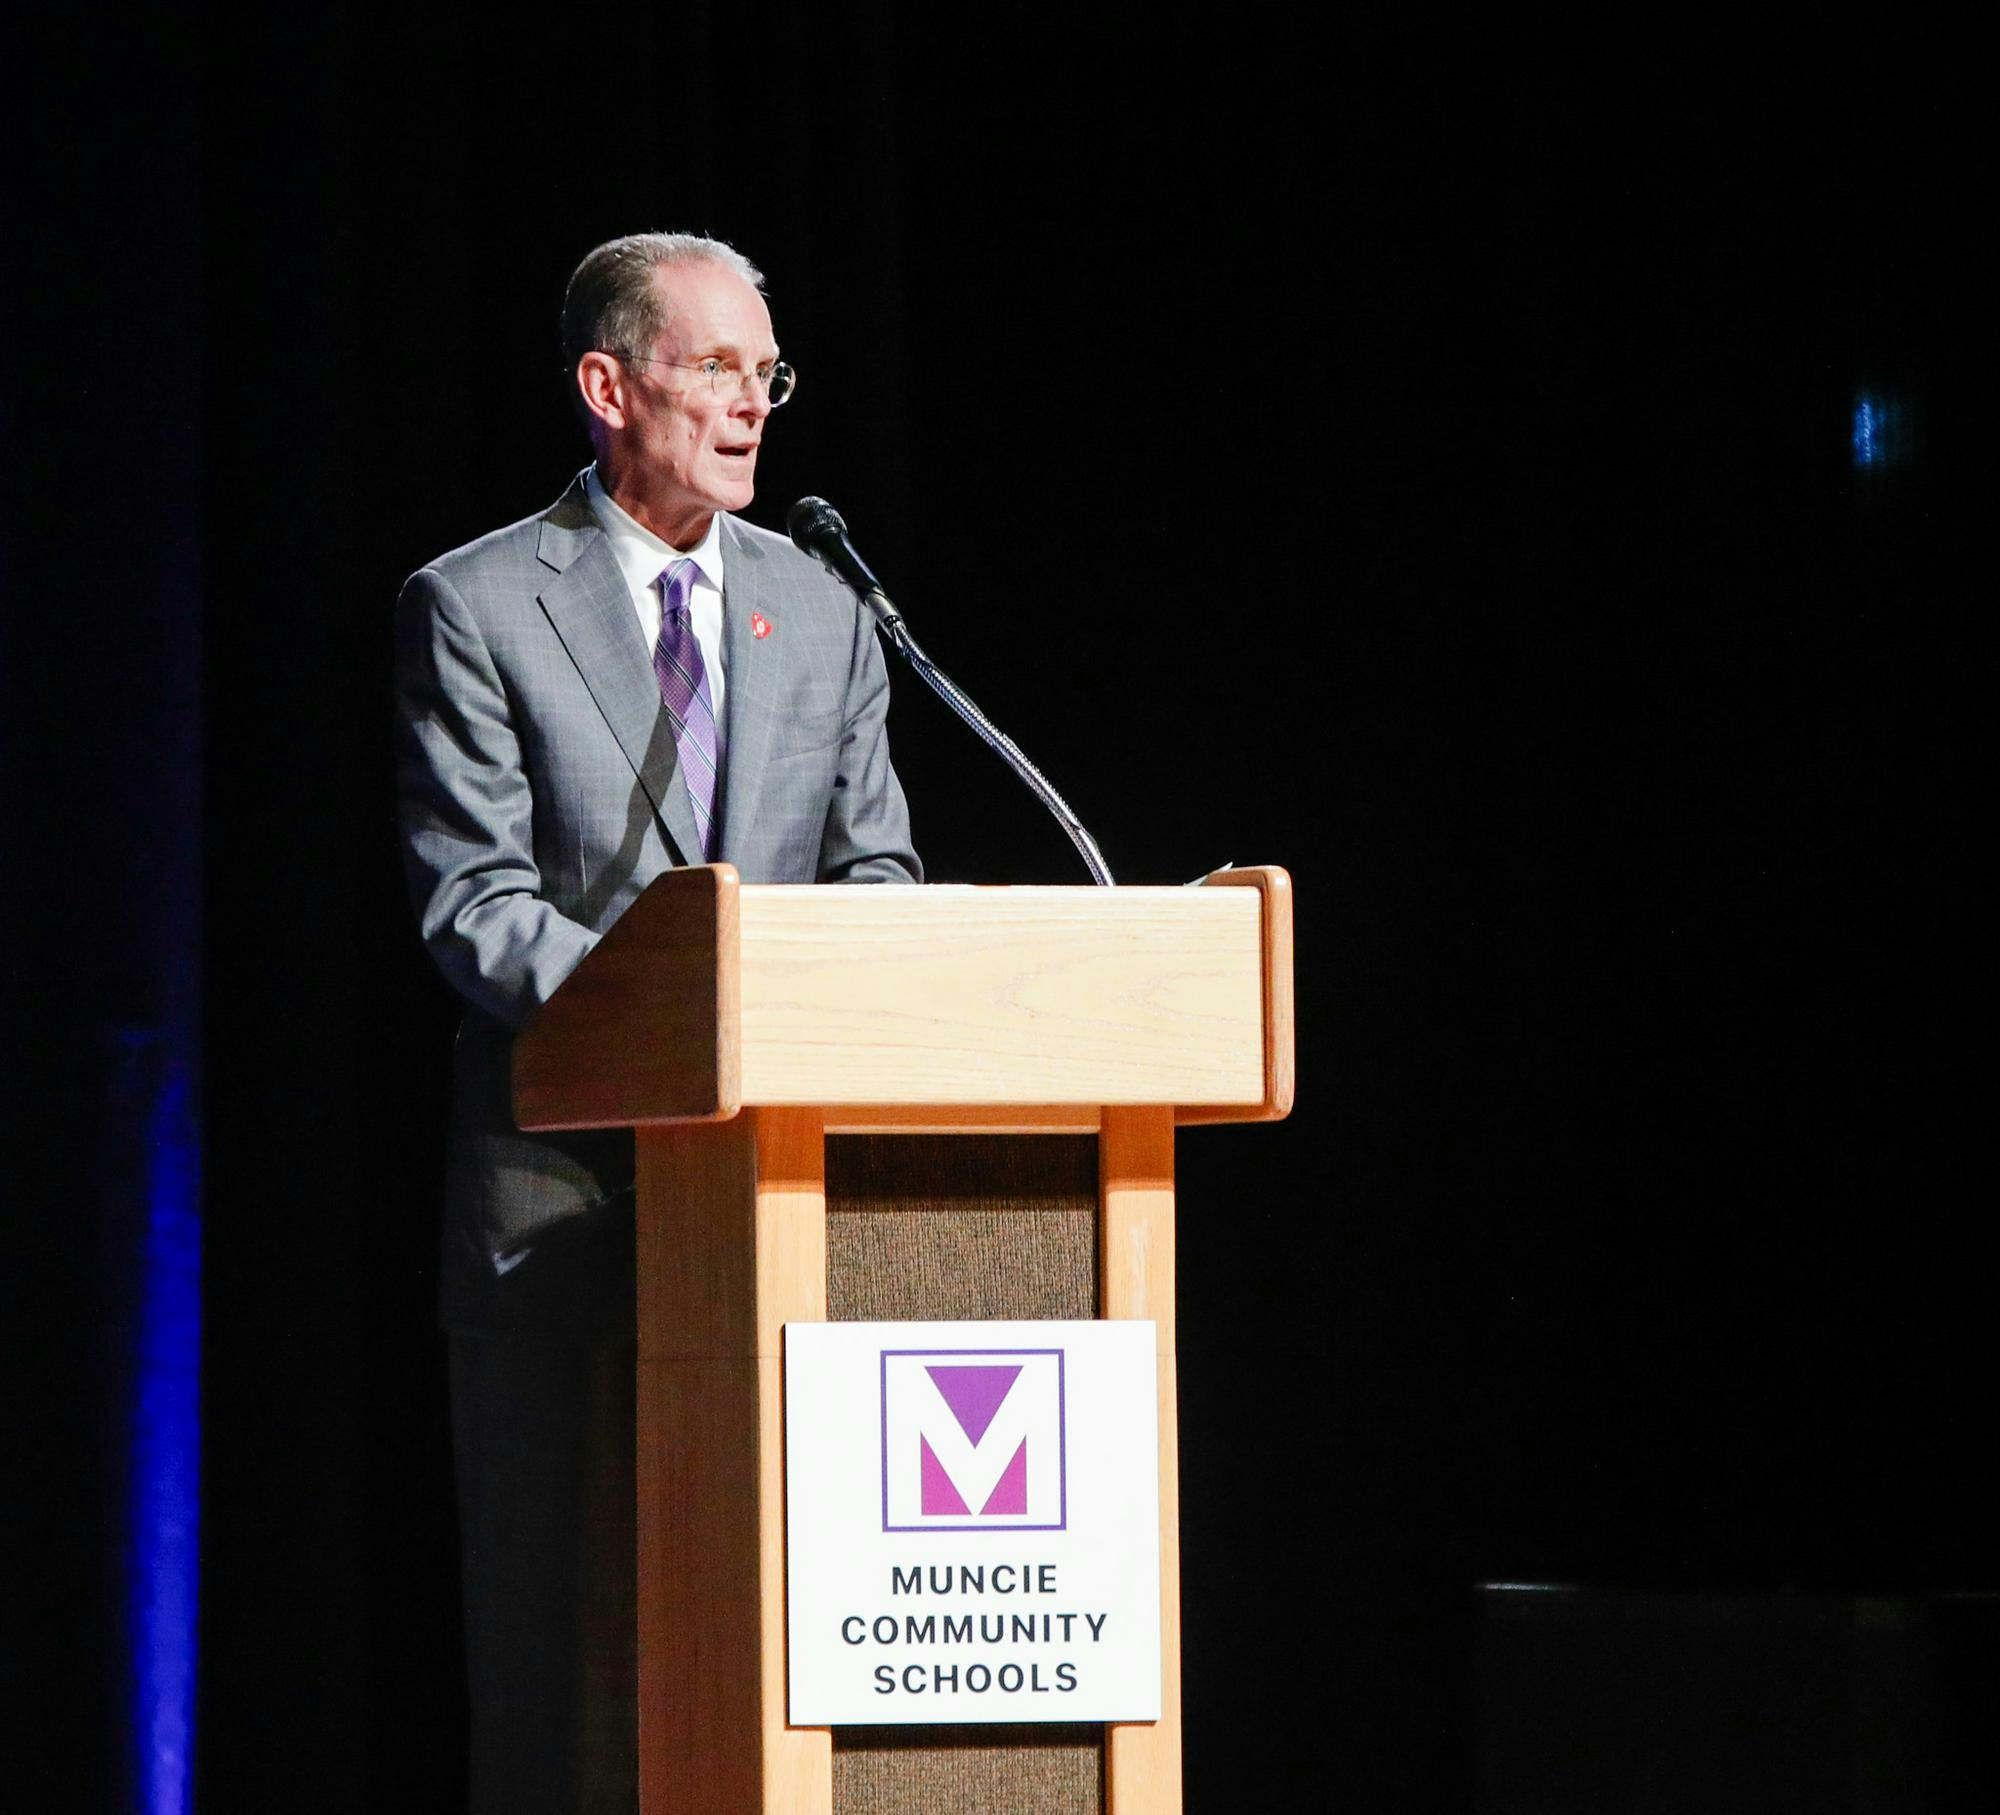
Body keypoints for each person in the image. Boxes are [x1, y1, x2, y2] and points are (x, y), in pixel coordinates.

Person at [393, 231, 921, 1811]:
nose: (752, 405)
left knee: (759, 1638)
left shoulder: (820, 608)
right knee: (559, 1662)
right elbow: (474, 906)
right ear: (607, 387)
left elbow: (872, 867)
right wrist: (678, 1015)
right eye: (714, 368)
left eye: (769, 372)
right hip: (559, 1206)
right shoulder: (476, 604)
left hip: (769, 1206)